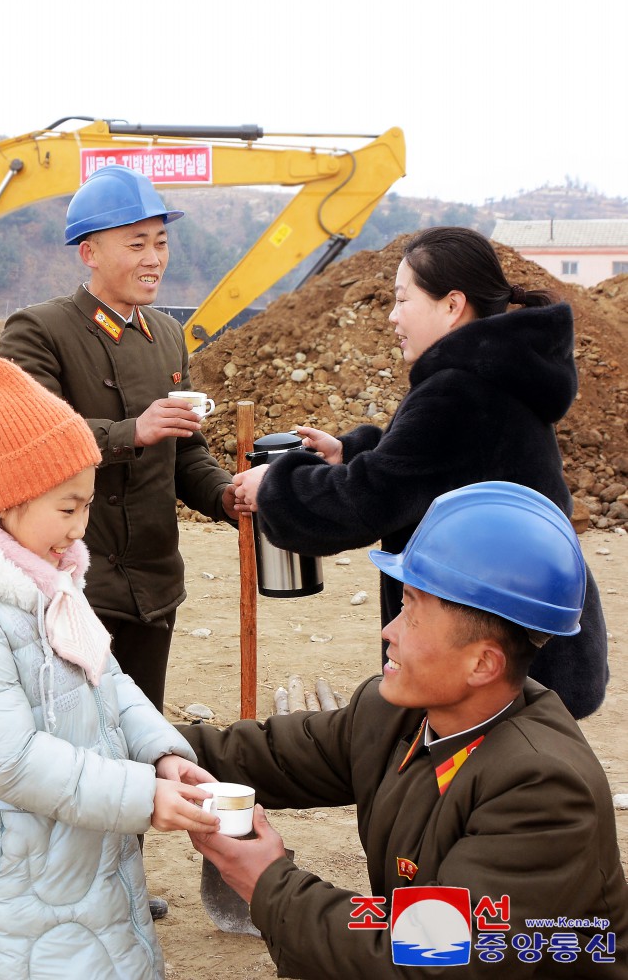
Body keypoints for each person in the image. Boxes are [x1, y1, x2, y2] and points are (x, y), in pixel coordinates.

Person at [173, 482, 628, 978]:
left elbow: (431, 957)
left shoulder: (542, 789)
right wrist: (141, 745)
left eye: (412, 610)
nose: (390, 630)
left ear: (482, 663)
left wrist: (266, 883)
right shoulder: (395, 714)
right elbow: (266, 755)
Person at [0, 313, 218, 980]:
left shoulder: (52, 582)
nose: (80, 530)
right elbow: (7, 758)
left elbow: (109, 678)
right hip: (11, 877)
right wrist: (140, 797)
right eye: (66, 509)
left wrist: (160, 754)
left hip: (77, 852)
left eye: (87, 506)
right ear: (8, 500)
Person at [232, 226, 607, 720]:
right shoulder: (494, 373)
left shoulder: (459, 393)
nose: (392, 318)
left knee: (478, 789)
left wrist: (274, 488)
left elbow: (366, 502)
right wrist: (350, 450)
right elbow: (435, 466)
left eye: (402, 299)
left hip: (495, 661)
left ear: (452, 305)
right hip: (523, 640)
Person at [0, 164, 240, 717]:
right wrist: (135, 431)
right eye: (136, 244)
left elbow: (184, 453)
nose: (153, 258)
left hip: (153, 580)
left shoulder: (167, 335)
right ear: (90, 252)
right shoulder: (40, 329)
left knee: (140, 732)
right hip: (73, 577)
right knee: (74, 738)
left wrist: (225, 496)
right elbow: (33, 438)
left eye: (160, 242)